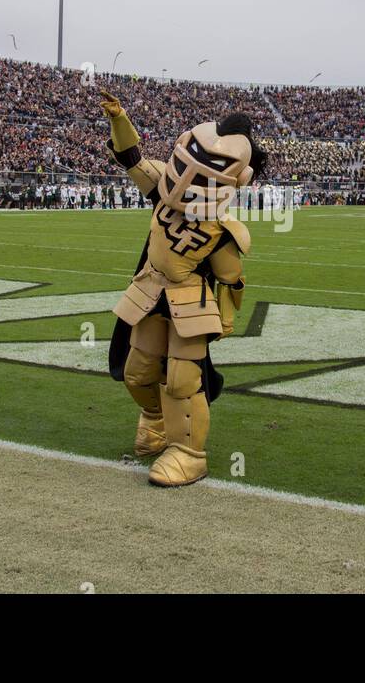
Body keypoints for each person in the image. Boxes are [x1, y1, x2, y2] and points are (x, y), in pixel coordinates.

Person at [100, 89, 264, 488]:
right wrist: (119, 119)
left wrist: (224, 318)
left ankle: (188, 453)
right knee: (138, 373)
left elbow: (231, 277)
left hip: (190, 302)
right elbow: (132, 161)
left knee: (181, 381)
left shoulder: (221, 230)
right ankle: (156, 422)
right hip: (150, 290)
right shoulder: (162, 190)